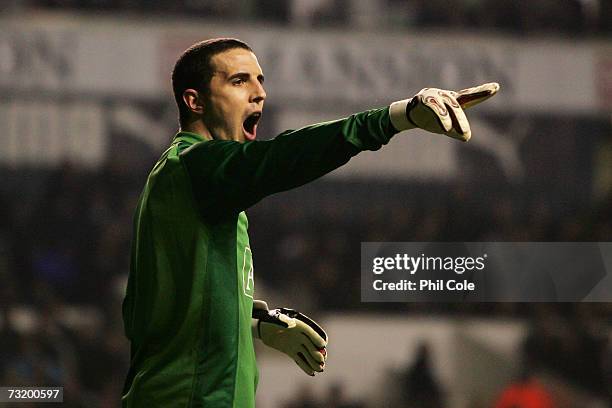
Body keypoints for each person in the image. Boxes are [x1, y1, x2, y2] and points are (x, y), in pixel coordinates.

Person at [120, 37, 499, 407]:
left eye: (260, 80)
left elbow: (152, 308)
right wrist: (393, 119)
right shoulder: (192, 166)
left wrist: (254, 323)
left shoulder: (192, 189)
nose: (258, 92)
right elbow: (284, 157)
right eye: (239, 80)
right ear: (194, 100)